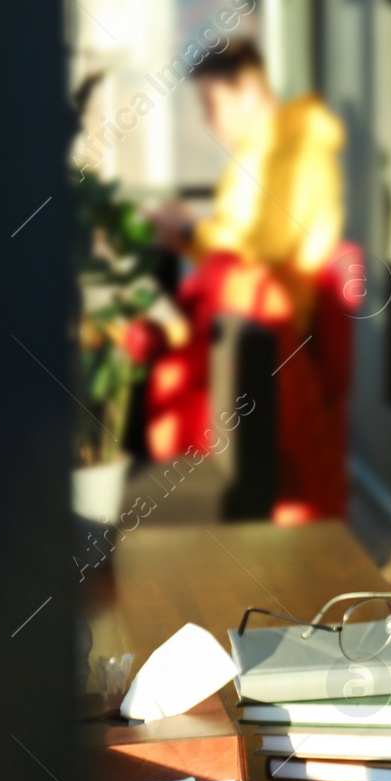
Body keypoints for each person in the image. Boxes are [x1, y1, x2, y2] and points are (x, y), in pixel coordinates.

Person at [147, 39, 351, 525]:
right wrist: (193, 233)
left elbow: (266, 247)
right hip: (256, 317)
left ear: (252, 94)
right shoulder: (262, 151)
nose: (207, 119)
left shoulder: (295, 150)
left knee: (159, 350)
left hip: (273, 330)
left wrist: (189, 231)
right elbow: (246, 242)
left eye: (212, 104)